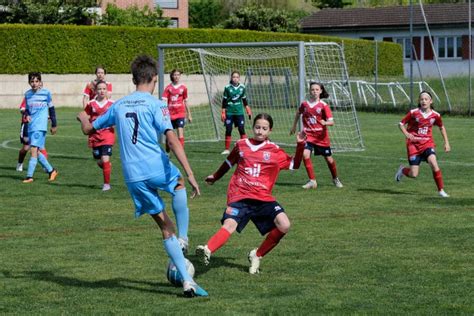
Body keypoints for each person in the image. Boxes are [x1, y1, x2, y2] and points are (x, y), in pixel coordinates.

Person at [77, 55, 208, 298]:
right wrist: (190, 173)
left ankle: (188, 282)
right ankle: (184, 238)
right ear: (154, 79)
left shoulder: (119, 105)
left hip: (133, 177)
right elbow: (171, 138)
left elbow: (87, 128)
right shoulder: (157, 104)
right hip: (156, 167)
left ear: (134, 78)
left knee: (164, 227)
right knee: (178, 183)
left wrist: (82, 116)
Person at [196, 113, 305, 274]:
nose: (260, 131)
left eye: (264, 129)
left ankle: (257, 255)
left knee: (284, 224)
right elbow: (229, 162)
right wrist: (216, 176)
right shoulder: (241, 144)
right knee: (230, 224)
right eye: (257, 127)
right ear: (253, 127)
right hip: (240, 195)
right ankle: (207, 249)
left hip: (262, 198)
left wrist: (300, 145)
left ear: (270, 131)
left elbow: (295, 164)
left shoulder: (274, 151)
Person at [394, 90, 451, 198]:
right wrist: (406, 133)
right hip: (413, 145)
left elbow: (441, 127)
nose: (423, 101)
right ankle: (402, 170)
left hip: (427, 144)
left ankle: (441, 190)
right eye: (421, 99)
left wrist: (446, 143)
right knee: (413, 174)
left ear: (431, 101)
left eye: (426, 99)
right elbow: (401, 124)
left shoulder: (436, 115)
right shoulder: (413, 112)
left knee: (434, 163)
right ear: (419, 101)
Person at [290, 82, 343, 189]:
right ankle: (312, 181)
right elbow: (298, 113)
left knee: (329, 159)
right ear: (310, 91)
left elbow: (331, 122)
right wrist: (294, 126)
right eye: (312, 89)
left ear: (321, 91)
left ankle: (335, 178)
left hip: (321, 137)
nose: (314, 91)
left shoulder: (324, 105)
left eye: (317, 89)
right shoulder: (304, 104)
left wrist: (325, 123)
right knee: (305, 155)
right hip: (308, 135)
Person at [22, 72, 58, 183]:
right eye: (32, 81)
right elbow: (27, 109)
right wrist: (27, 115)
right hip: (32, 126)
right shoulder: (27, 94)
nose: (34, 83)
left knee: (33, 150)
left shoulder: (46, 93)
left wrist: (54, 124)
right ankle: (51, 171)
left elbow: (51, 109)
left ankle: (29, 176)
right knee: (36, 152)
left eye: (36, 81)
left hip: (40, 126)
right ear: (29, 82)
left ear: (40, 82)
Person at [84, 80, 115, 191]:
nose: (102, 91)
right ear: (96, 91)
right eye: (99, 89)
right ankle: (106, 167)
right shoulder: (91, 103)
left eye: (104, 89)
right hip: (95, 135)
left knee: (105, 158)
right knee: (99, 160)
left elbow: (117, 117)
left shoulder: (112, 104)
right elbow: (85, 115)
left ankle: (106, 184)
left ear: (107, 90)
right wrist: (83, 123)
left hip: (107, 134)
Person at [16, 85, 49, 172]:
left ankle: (46, 167)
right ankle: (20, 163)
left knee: (41, 147)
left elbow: (43, 109)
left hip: (38, 125)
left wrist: (47, 116)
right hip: (27, 125)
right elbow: (22, 108)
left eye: (40, 85)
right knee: (26, 148)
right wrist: (27, 114)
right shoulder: (29, 95)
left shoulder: (43, 96)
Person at [220, 70, 252, 155]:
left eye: (237, 77)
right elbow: (224, 100)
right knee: (228, 129)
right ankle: (227, 149)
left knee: (241, 129)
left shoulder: (242, 87)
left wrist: (247, 108)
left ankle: (244, 148)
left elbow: (244, 99)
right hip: (229, 112)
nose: (235, 79)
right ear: (231, 78)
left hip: (239, 112)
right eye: (234, 77)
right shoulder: (227, 87)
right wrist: (223, 111)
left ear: (239, 78)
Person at [162, 69, 192, 150]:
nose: (176, 76)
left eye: (178, 75)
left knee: (180, 133)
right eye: (175, 75)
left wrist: (189, 114)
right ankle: (167, 152)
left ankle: (181, 152)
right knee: (169, 136)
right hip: (170, 115)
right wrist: (164, 114)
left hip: (180, 114)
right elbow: (164, 101)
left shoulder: (183, 88)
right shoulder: (168, 88)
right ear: (172, 76)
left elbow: (186, 101)